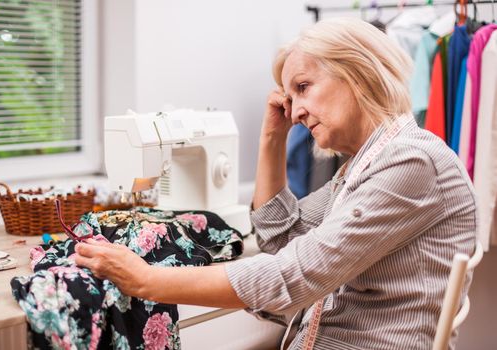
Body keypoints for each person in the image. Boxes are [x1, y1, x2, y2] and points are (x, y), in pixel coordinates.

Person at [75, 17, 477, 349]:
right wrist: (272, 137)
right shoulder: (364, 167)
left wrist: (148, 280)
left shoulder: (412, 163)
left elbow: (294, 274)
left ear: (358, 72)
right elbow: (282, 237)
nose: (296, 110)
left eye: (303, 87)